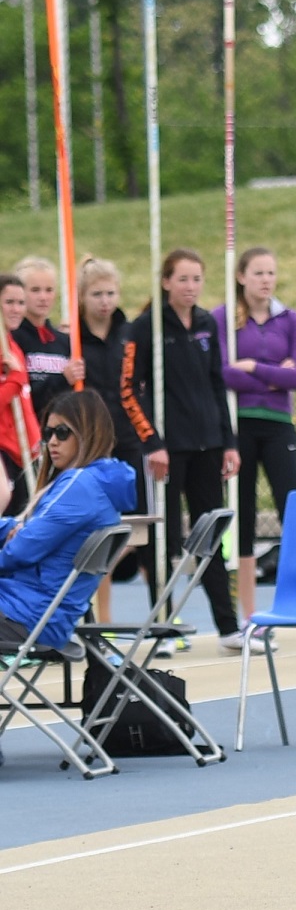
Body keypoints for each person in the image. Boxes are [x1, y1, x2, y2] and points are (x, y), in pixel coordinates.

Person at [120, 247, 260, 655]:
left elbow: (218, 385)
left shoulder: (205, 323)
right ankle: (163, 626)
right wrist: (152, 442)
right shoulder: (145, 327)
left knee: (211, 535)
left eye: (197, 279)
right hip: (167, 451)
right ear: (166, 282)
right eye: (182, 279)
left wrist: (229, 442)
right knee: (163, 540)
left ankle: (228, 627)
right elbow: (128, 389)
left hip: (208, 447)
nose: (190, 286)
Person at [212, 247, 296, 632]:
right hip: (240, 426)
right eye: (258, 273)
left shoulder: (291, 320)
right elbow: (222, 373)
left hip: (280, 425)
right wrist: (273, 375)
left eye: (271, 273)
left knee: (294, 506)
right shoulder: (223, 318)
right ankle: (250, 613)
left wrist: (253, 367)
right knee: (244, 515)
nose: (266, 280)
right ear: (241, 277)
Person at [0, 389, 135, 654]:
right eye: (48, 433)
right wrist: (15, 531)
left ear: (88, 432)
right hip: (44, 615)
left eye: (62, 432)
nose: (52, 442)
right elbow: (24, 530)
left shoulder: (79, 484)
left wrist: (19, 535)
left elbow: (21, 550)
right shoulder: (100, 483)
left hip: (26, 614)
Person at [77, 257, 139, 622]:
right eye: (97, 294)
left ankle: (160, 606)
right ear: (82, 297)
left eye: (110, 294)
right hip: (91, 443)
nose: (104, 301)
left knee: (136, 527)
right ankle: (102, 617)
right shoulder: (73, 340)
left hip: (128, 438)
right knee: (97, 530)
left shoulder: (128, 334)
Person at [10, 256, 84, 419]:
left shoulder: (64, 341)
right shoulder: (13, 339)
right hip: (26, 424)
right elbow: (21, 393)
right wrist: (63, 379)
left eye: (49, 290)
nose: (43, 297)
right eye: (35, 290)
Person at [0, 274, 40, 515]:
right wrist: (14, 378)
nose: (16, 309)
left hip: (22, 451)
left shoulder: (12, 346)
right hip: (4, 448)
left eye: (21, 303)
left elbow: (24, 402)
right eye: (9, 302)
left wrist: (34, 441)